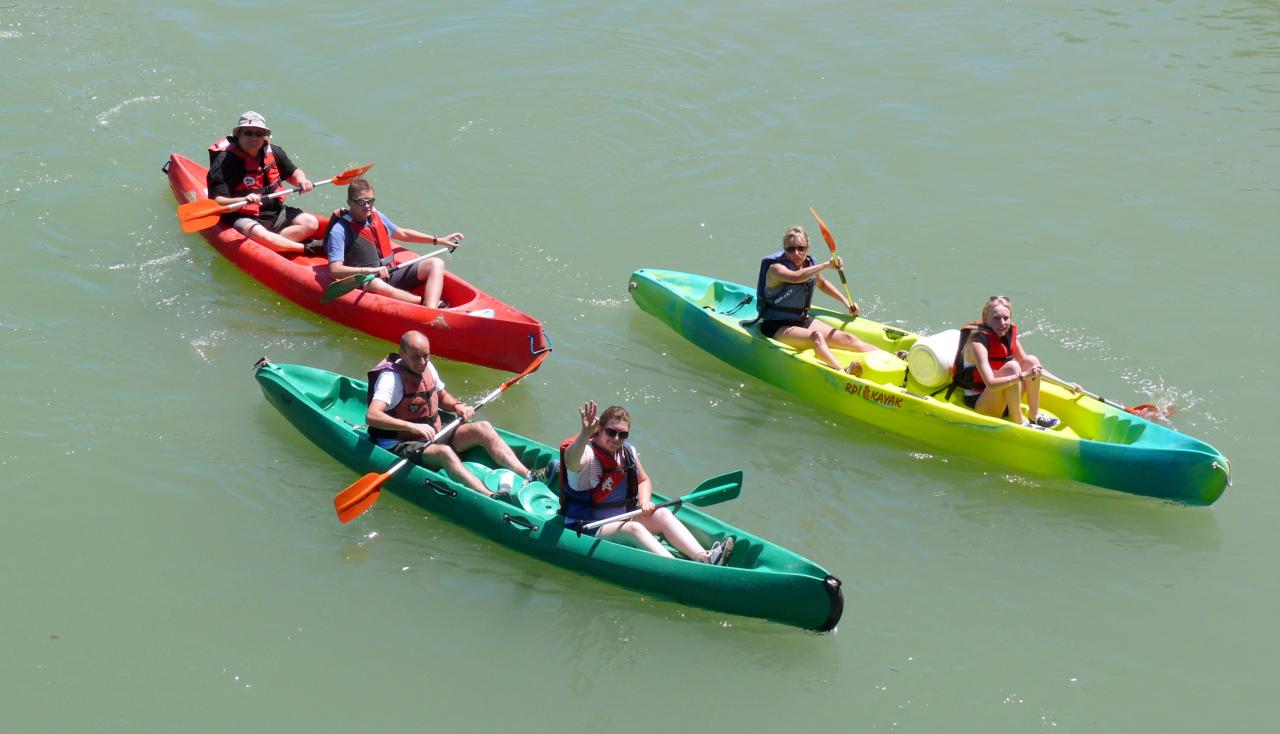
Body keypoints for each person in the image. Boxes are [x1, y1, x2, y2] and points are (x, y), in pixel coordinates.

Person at [557, 401, 734, 565]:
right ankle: (677, 568)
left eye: (623, 435)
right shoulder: (587, 454)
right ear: (600, 429)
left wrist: (644, 501)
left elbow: (643, 480)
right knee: (634, 529)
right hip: (587, 526)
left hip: (620, 517)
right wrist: (585, 433)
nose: (616, 439)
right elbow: (571, 462)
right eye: (611, 432)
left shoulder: (626, 452)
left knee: (662, 514)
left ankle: (704, 558)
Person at [366, 330, 535, 498]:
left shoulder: (427, 367)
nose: (422, 362)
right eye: (416, 357)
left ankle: (528, 475)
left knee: (483, 427)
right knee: (444, 452)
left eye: (426, 356)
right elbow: (372, 416)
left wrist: (457, 406)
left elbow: (440, 396)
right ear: (402, 353)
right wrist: (412, 426)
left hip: (433, 432)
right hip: (401, 442)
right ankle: (489, 495)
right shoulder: (391, 379)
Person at [755, 226, 902, 375]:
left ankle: (895, 359)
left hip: (801, 319)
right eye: (790, 249)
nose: (796, 253)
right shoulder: (775, 269)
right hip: (776, 326)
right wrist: (826, 265)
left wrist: (845, 301)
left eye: (801, 248)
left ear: (807, 247)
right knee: (816, 337)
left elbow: (822, 284)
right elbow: (796, 277)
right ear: (784, 249)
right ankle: (843, 372)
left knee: (848, 338)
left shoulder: (809, 265)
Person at [325, 177, 463, 309]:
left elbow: (402, 233)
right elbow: (335, 270)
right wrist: (370, 271)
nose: (367, 206)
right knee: (376, 284)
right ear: (349, 202)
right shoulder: (339, 231)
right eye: (361, 202)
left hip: (391, 273)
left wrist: (438, 240)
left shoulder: (376, 217)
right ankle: (421, 302)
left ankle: (431, 309)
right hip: (368, 280)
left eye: (370, 201)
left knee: (436, 263)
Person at [954, 296, 1078, 428]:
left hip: (1005, 400)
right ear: (985, 319)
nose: (1002, 323)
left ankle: (1034, 415)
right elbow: (990, 384)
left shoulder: (1007, 337)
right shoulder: (977, 344)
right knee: (1012, 368)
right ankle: (1019, 422)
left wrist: (1065, 385)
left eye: (1006, 318)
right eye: (996, 318)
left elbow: (1035, 370)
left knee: (1031, 360)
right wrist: (1022, 376)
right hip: (982, 403)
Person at [207, 111, 319, 253]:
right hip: (243, 215)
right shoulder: (225, 162)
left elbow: (294, 172)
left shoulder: (274, 152)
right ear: (239, 134)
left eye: (259, 134)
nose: (254, 138)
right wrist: (244, 200)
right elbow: (218, 202)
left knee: (311, 223)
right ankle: (306, 248)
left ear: (264, 136)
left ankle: (275, 243)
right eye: (248, 133)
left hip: (275, 212)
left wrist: (302, 181)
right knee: (261, 234)